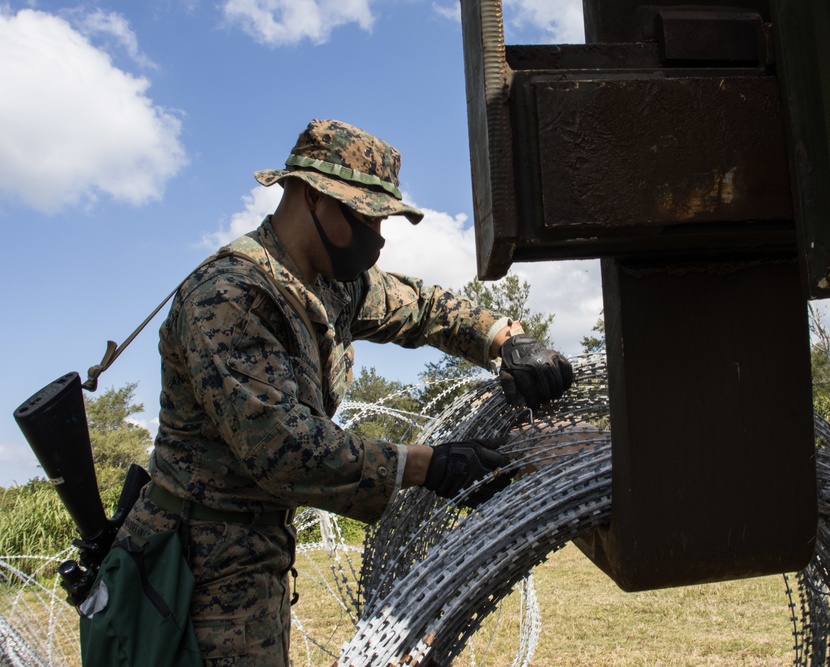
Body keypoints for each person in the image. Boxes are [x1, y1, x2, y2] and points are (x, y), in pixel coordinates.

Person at [115, 118, 573, 665]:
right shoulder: (231, 297)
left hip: (253, 553)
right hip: (196, 567)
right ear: (311, 196)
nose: (377, 238)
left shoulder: (329, 282)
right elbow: (288, 452)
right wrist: (432, 466)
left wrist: (507, 340)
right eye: (366, 217)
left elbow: (423, 307)